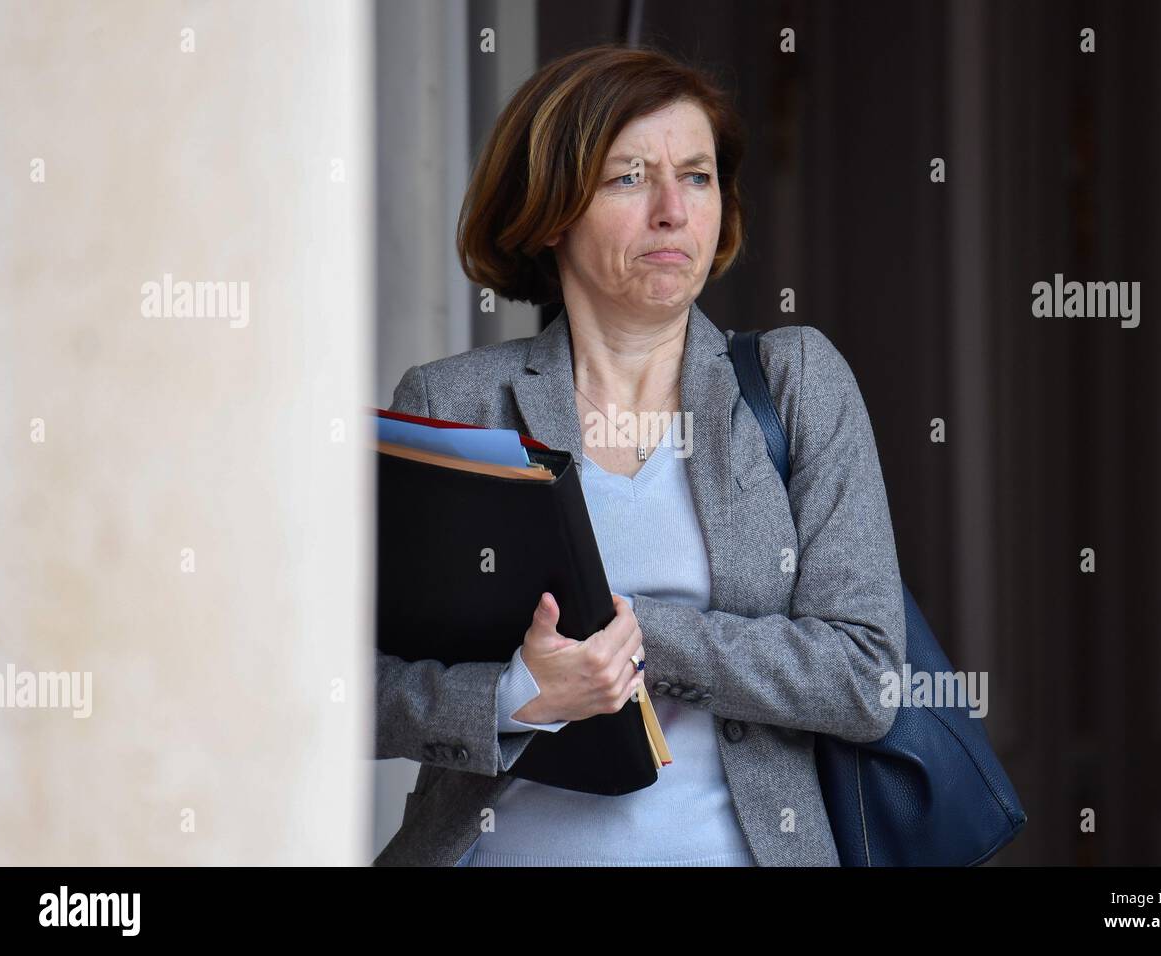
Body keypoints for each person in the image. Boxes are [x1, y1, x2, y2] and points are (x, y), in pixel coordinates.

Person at [374, 42, 906, 867]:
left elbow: (865, 677)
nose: (673, 209)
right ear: (551, 209)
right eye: (628, 177)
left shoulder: (797, 382)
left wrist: (636, 634)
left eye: (697, 176)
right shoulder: (454, 402)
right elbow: (352, 689)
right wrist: (522, 695)